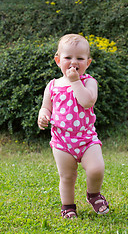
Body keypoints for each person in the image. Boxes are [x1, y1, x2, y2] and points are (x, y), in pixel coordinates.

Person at [38, 34, 109, 218]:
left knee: (96, 168)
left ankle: (93, 194)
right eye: (68, 57)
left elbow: (87, 101)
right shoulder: (52, 85)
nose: (73, 62)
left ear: (88, 62)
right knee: (67, 177)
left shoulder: (89, 82)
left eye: (80, 58)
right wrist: (43, 115)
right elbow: (46, 106)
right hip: (62, 141)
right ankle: (68, 206)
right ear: (58, 60)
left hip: (86, 139)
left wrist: (75, 81)